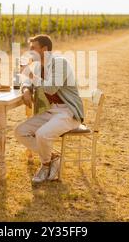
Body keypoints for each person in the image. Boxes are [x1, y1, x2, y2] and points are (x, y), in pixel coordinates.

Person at [14, 35, 84, 183]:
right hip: (52, 111)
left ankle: (45, 165)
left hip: (68, 112)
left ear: (44, 49)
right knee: (20, 132)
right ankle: (52, 157)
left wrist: (30, 74)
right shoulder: (39, 66)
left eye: (33, 48)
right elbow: (27, 81)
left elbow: (51, 88)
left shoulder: (60, 63)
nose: (30, 51)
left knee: (42, 134)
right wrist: (26, 89)